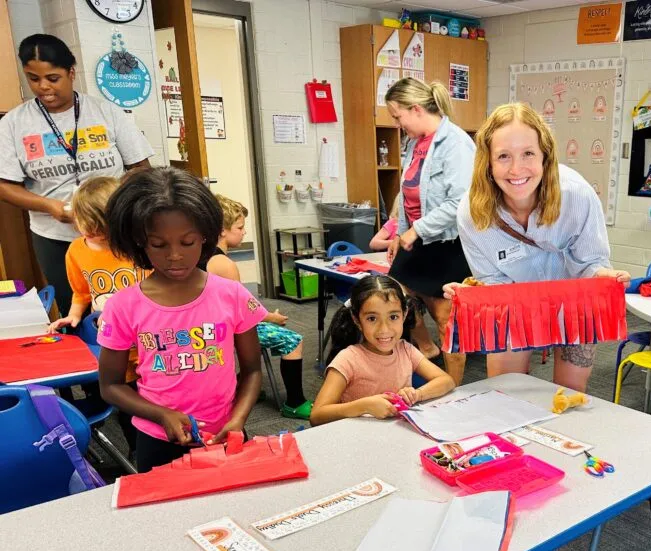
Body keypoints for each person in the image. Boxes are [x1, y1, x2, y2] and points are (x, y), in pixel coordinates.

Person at [446, 102, 630, 393]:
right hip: (514, 304)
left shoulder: (577, 196)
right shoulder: (472, 213)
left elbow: (590, 263)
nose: (517, 169)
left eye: (528, 154)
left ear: (545, 155)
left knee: (569, 394)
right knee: (505, 392)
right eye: (504, 156)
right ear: (488, 162)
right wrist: (474, 294)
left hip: (573, 302)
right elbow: (495, 283)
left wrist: (600, 276)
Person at [97, 168, 266, 473]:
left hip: (227, 433)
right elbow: (110, 386)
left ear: (205, 235)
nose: (174, 255)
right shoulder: (123, 306)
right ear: (139, 242)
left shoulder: (232, 295)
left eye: (187, 243)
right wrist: (161, 414)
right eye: (159, 245)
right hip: (158, 440)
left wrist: (237, 420)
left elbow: (252, 370)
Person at [0, 34, 153, 315]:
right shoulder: (14, 123)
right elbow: (4, 185)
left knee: (131, 303)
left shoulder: (106, 111)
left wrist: (111, 203)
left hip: (115, 231)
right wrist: (49, 206)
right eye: (33, 79)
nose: (43, 87)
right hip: (54, 235)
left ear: (71, 72)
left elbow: (140, 168)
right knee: (75, 307)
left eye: (53, 78)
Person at [384, 77, 475, 385]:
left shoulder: (456, 143)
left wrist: (416, 231)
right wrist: (401, 232)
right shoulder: (415, 143)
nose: (397, 124)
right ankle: (425, 346)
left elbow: (460, 202)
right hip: (419, 240)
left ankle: (454, 387)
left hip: (447, 244)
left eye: (398, 117)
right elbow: (409, 194)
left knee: (446, 318)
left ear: (416, 109)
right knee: (391, 293)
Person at [47, 175, 146, 452]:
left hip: (147, 341)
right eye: (83, 222)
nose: (88, 230)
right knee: (127, 402)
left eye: (97, 224)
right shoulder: (76, 250)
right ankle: (136, 450)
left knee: (156, 396)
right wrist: (74, 315)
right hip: (112, 342)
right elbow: (82, 292)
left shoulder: (137, 245)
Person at [206, 194, 313, 419]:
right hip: (226, 331)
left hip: (210, 329)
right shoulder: (224, 264)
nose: (244, 232)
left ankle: (244, 385)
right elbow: (244, 310)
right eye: (240, 227)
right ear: (222, 230)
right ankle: (294, 402)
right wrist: (271, 317)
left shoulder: (202, 256)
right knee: (293, 341)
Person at [310, 274, 454, 425]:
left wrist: (417, 394)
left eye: (393, 317)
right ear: (357, 320)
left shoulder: (405, 350)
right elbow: (317, 415)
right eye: (372, 318)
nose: (384, 329)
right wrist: (363, 406)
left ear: (404, 315)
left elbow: (446, 381)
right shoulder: (348, 359)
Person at [369, 197, 440, 359]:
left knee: (439, 315)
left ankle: (435, 346)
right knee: (400, 300)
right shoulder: (396, 224)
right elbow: (374, 242)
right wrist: (398, 239)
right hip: (410, 265)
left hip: (430, 263)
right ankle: (426, 346)